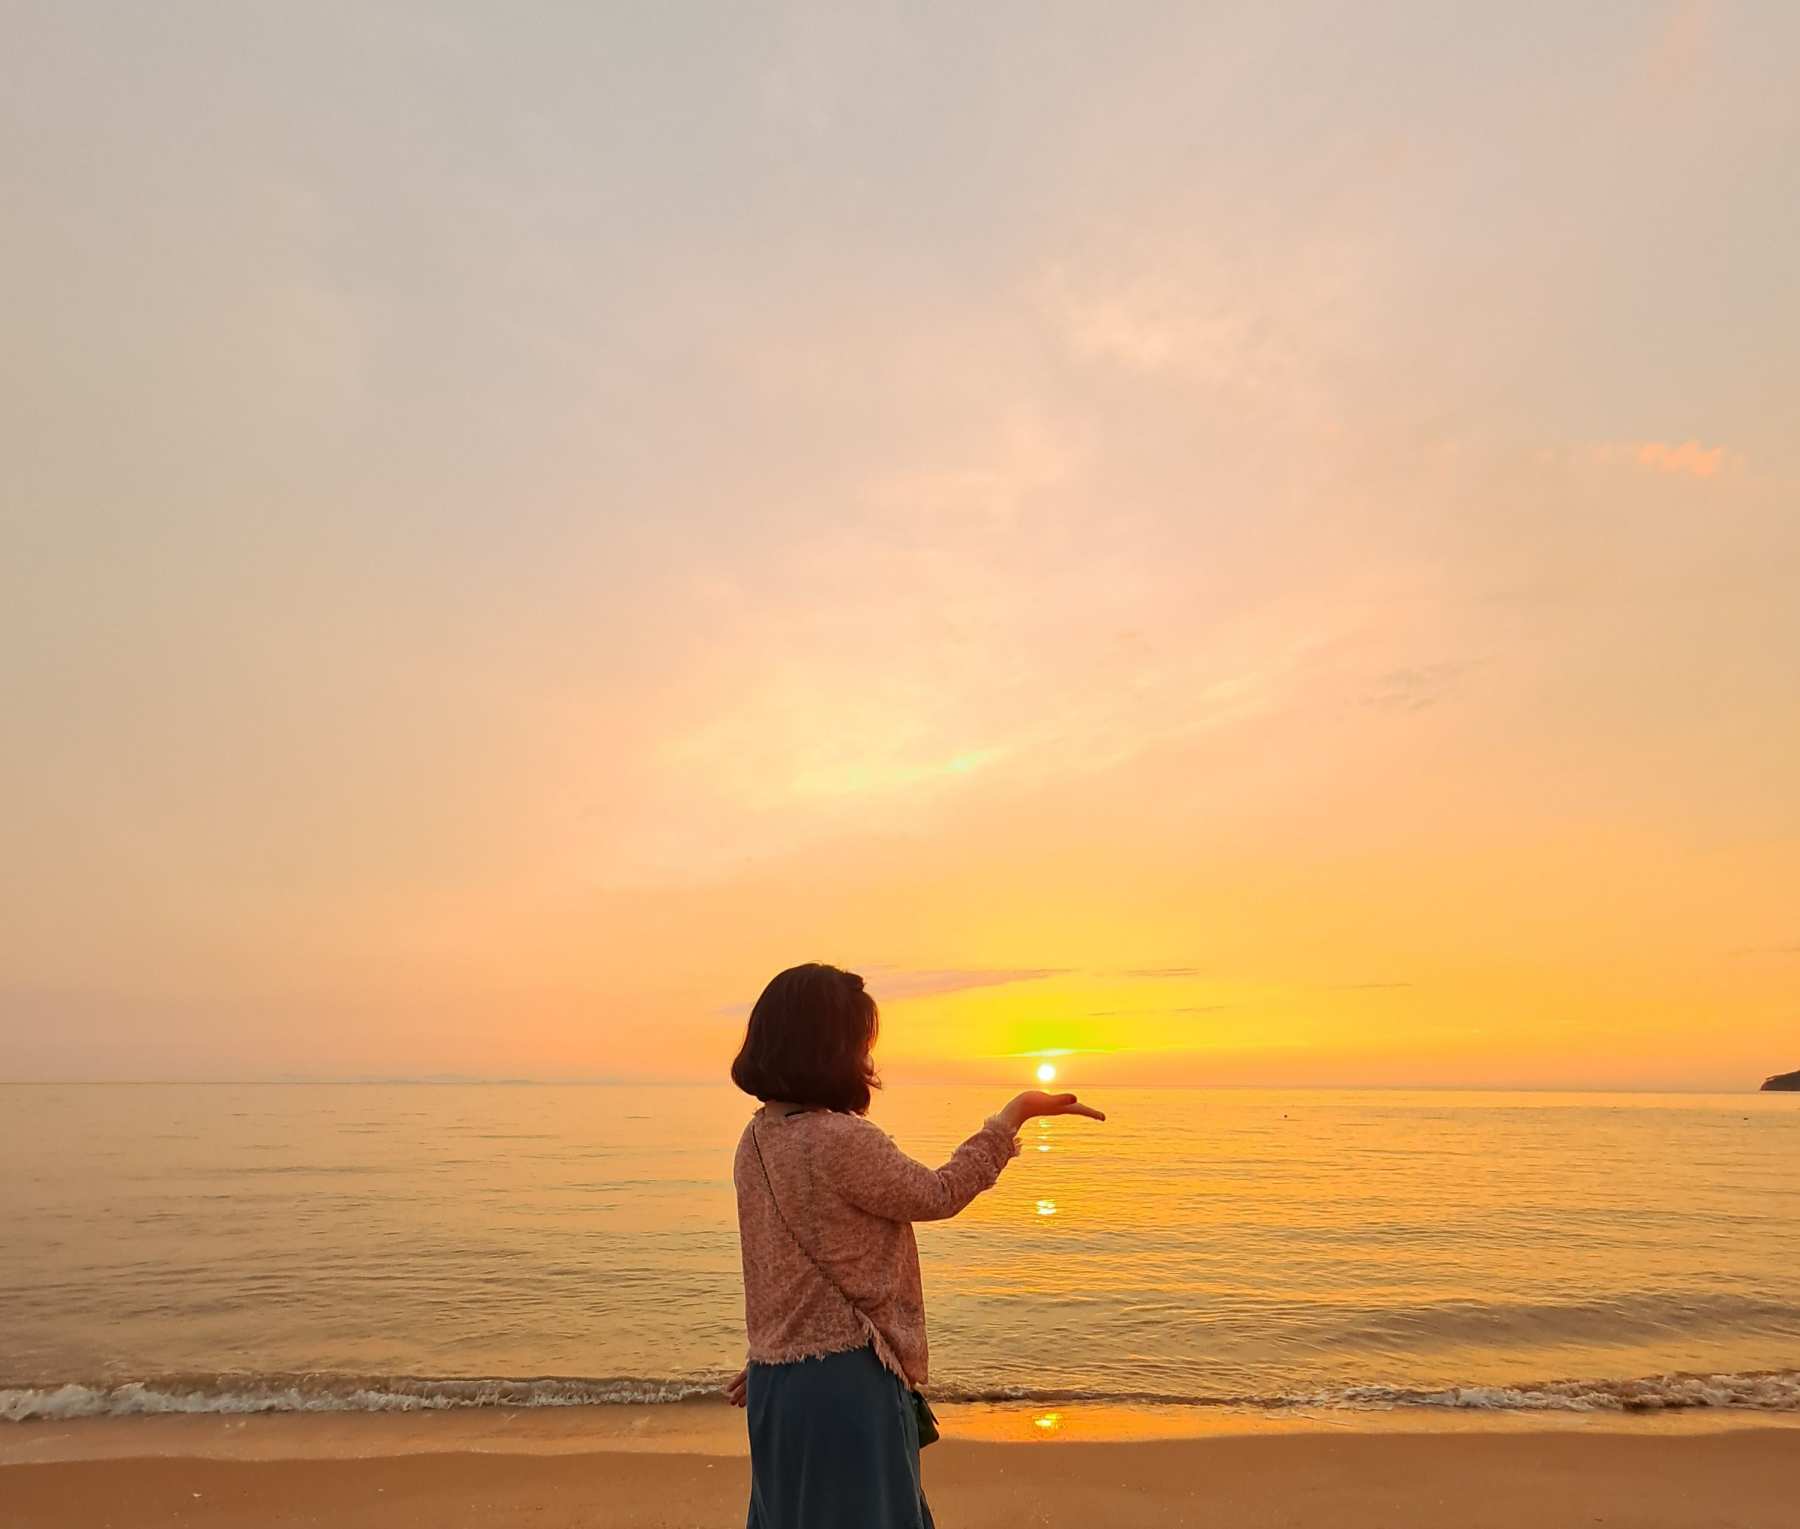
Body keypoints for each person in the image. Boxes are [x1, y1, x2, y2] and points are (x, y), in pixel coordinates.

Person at [724, 962, 1104, 1528]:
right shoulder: (838, 1139)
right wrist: (1012, 1116)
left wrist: (773, 1355)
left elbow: (773, 1269)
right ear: (832, 1048)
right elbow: (939, 1193)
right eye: (859, 1041)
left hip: (779, 1383)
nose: (865, 1058)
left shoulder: (754, 1139)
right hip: (845, 1382)